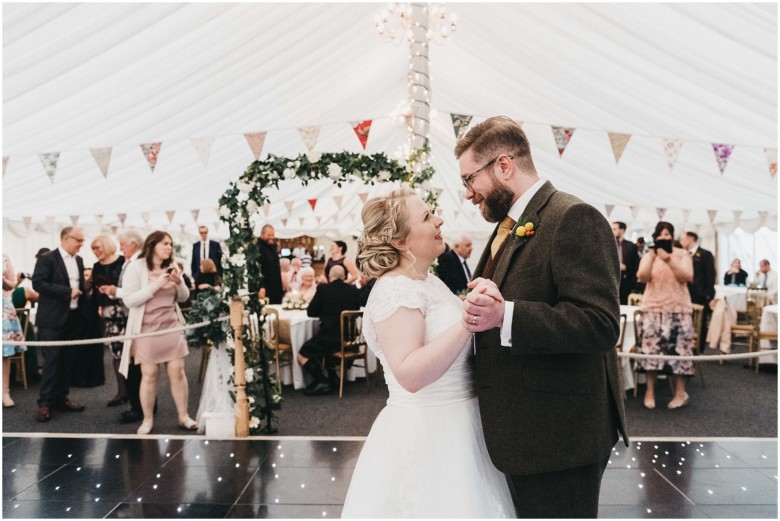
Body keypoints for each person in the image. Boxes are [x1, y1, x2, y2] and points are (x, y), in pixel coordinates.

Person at [455, 116, 627, 518]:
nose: (468, 194)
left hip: (560, 436)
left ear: (503, 165)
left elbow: (600, 323)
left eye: (469, 180)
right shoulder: (508, 226)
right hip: (523, 431)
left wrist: (506, 315)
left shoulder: (572, 217)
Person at [342, 188, 514, 517]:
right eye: (426, 217)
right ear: (401, 242)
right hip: (429, 433)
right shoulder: (396, 289)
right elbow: (409, 373)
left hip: (463, 425)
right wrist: (467, 320)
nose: (440, 220)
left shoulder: (427, 281)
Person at [118, 231, 195, 435]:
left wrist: (179, 283)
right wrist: (156, 285)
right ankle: (148, 420)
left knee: (178, 372)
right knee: (150, 375)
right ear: (152, 246)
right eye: (165, 244)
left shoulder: (174, 266)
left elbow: (183, 298)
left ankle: (184, 416)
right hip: (146, 329)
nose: (169, 247)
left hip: (171, 326)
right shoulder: (136, 267)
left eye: (171, 244)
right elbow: (129, 300)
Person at [636, 221, 695, 410]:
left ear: (673, 237)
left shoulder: (682, 254)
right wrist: (653, 256)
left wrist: (668, 259)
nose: (664, 238)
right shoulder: (649, 255)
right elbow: (642, 277)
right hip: (653, 308)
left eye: (668, 235)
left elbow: (687, 276)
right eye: (661, 235)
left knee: (680, 353)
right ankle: (650, 392)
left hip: (678, 309)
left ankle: (680, 393)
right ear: (655, 237)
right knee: (651, 352)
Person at [31, 226, 87, 422]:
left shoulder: (79, 260)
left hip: (72, 318)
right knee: (52, 362)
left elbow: (79, 286)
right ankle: (45, 403)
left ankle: (61, 397)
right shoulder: (47, 258)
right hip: (51, 319)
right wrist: (66, 291)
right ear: (66, 238)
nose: (82, 244)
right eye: (79, 240)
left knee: (67, 360)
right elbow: (38, 283)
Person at [99, 230, 146, 424]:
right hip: (128, 316)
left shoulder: (137, 263)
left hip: (133, 318)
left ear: (134, 244)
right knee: (132, 364)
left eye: (123, 244)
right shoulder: (130, 261)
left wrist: (114, 291)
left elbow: (134, 292)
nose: (120, 247)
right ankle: (139, 404)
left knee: (135, 366)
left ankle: (139, 407)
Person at [297, 265, 360, 396]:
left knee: (302, 354)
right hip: (350, 339)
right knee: (323, 348)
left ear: (330, 277)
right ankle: (332, 376)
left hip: (329, 338)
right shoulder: (353, 290)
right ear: (344, 277)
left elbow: (310, 312)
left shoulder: (323, 289)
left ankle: (322, 380)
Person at [89, 234, 127, 405]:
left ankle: (135, 390)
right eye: (93, 249)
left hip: (126, 308)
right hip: (108, 312)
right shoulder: (96, 267)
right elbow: (96, 291)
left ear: (106, 245)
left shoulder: (122, 261)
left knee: (133, 351)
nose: (96, 252)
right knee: (116, 352)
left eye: (98, 247)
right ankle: (121, 391)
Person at [679, 231, 716, 350]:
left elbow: (711, 275)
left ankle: (699, 347)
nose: (681, 242)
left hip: (699, 294)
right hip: (685, 294)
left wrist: (708, 294)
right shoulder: (683, 254)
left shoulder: (705, 254)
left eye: (683, 239)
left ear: (691, 239)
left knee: (700, 321)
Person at [3, 254, 26, 408]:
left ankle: (5, 392)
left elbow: (11, 285)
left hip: (2, 309)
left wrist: (4, 280)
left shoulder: (3, 257)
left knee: (4, 354)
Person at [613, 221, 640, 305]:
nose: (612, 231)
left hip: (626, 282)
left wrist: (633, 285)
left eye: (614, 229)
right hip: (612, 281)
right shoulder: (610, 244)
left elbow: (636, 266)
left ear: (622, 230)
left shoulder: (631, 246)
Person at [257, 224, 284, 304]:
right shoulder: (257, 248)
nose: (272, 237)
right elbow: (257, 269)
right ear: (262, 234)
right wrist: (261, 286)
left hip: (276, 287)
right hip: (265, 287)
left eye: (273, 235)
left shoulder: (273, 246)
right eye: (269, 235)